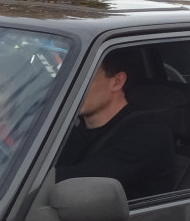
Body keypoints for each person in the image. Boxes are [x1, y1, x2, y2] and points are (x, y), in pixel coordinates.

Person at [55, 52, 176, 200]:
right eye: (66, 79)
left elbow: (83, 182)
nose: (70, 89)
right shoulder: (72, 125)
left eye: (83, 79)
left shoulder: (149, 132)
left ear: (117, 82)